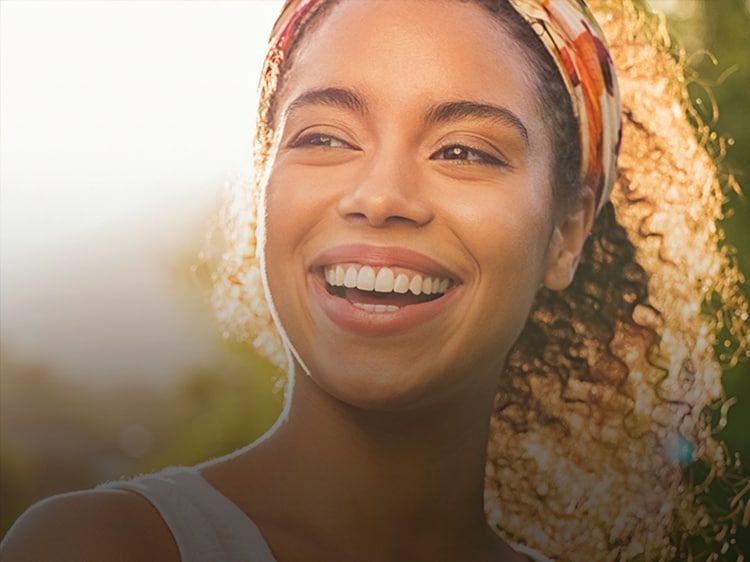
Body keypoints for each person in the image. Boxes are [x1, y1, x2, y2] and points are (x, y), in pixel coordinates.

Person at [1, 0, 748, 560]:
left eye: (465, 152)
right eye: (324, 137)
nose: (381, 196)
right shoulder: (101, 547)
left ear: (568, 232)